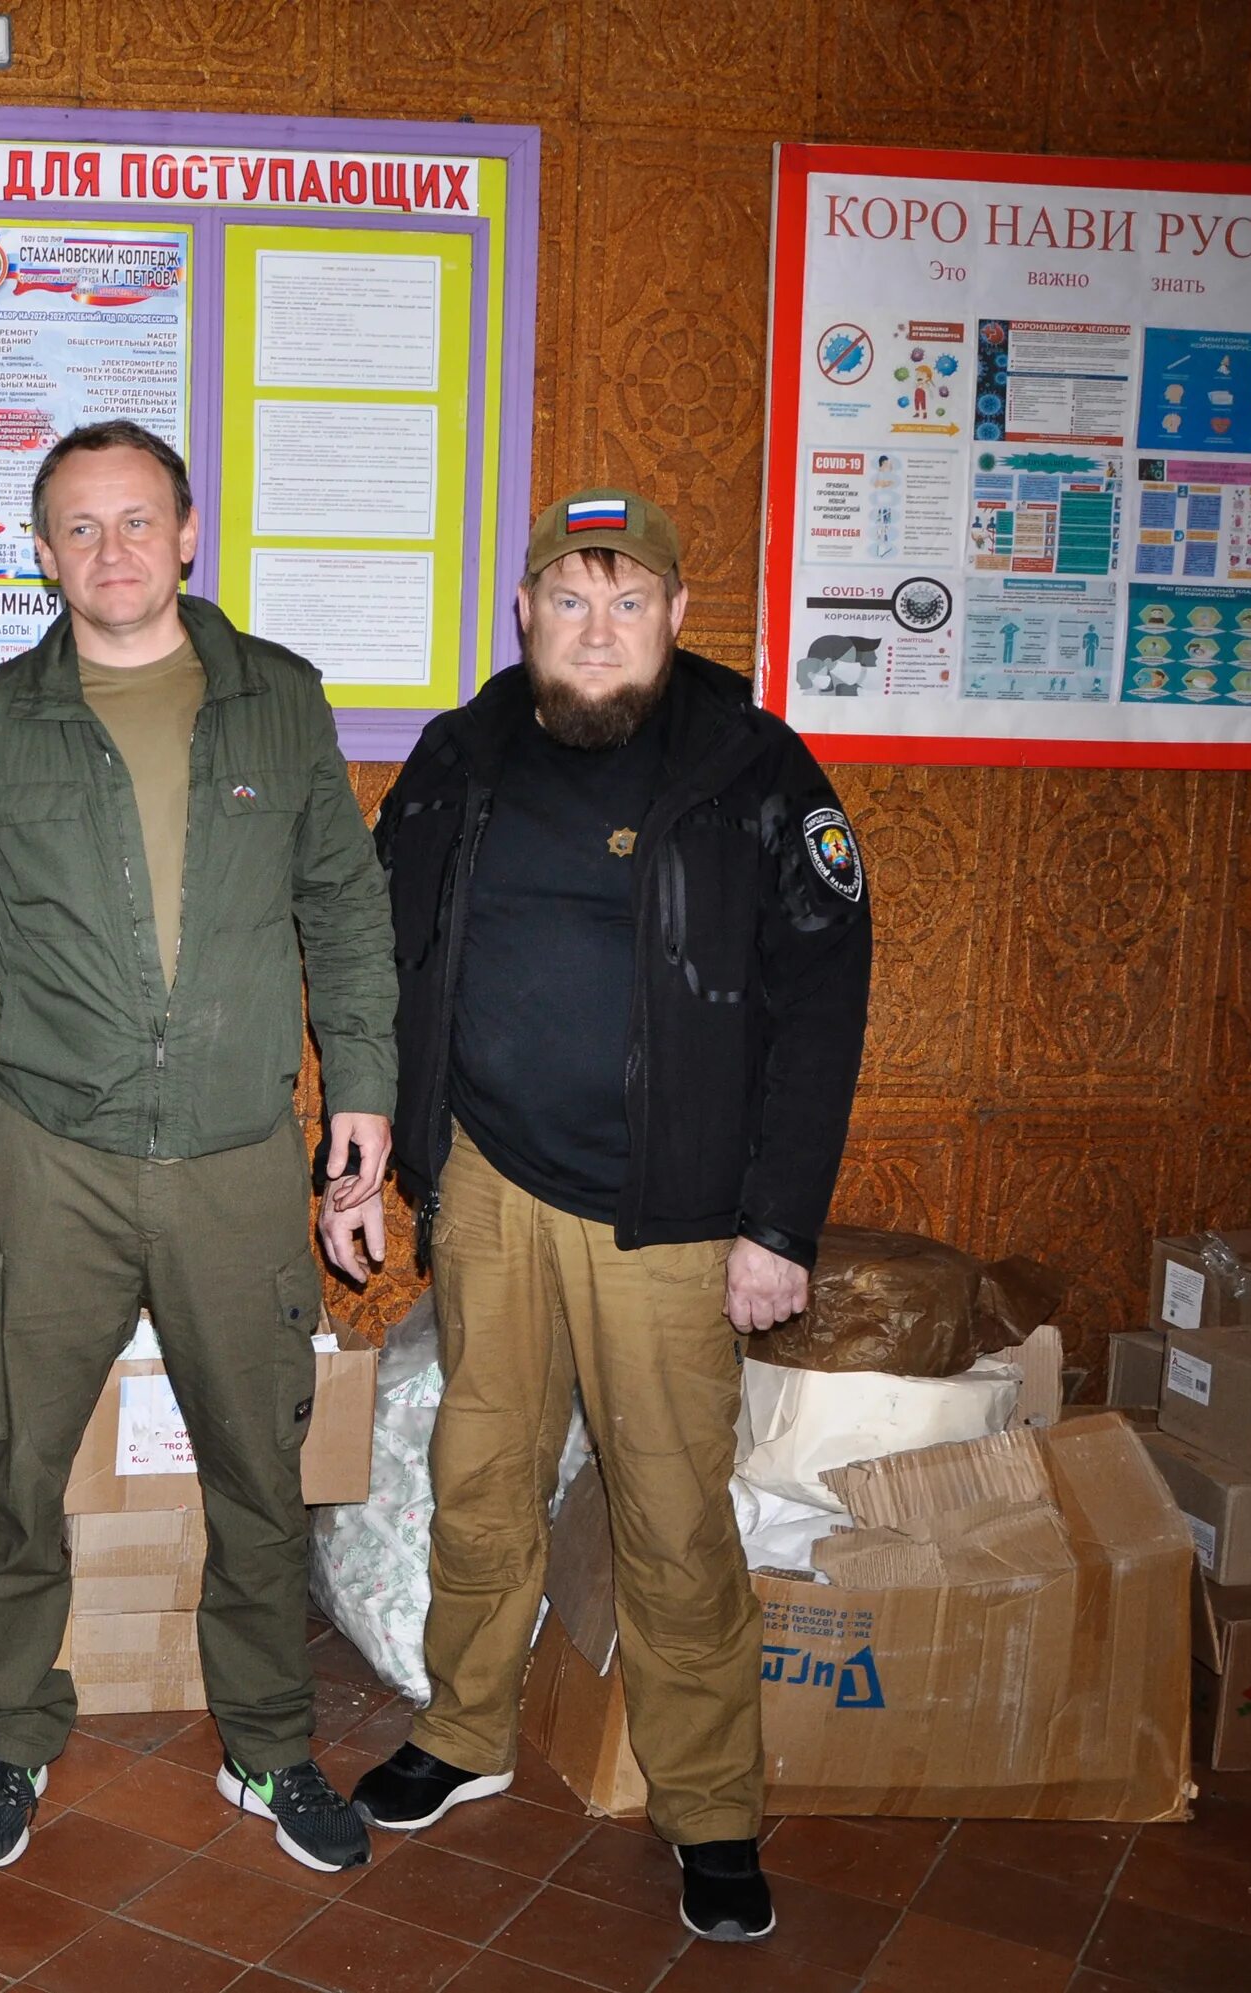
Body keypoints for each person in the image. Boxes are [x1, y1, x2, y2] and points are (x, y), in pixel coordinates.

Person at [357, 489, 872, 1945]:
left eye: (625, 601)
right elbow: (387, 945)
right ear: (524, 613)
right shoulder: (463, 753)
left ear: (674, 616)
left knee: (669, 1509)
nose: (595, 631)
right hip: (493, 1191)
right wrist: (388, 1140)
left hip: (674, 1214)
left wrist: (778, 1223)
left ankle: (712, 1806)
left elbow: (824, 1009)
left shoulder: (754, 770)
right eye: (568, 602)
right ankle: (462, 1731)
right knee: (481, 1470)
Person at [0, 419, 396, 1875]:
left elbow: (347, 912)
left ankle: (268, 1743)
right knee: (18, 1459)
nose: (110, 551)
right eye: (79, 527)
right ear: (40, 552)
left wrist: (358, 1089)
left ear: (188, 533)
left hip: (241, 1156)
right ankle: (10, 1736)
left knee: (259, 1468)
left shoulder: (281, 704)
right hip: (48, 1148)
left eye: (137, 522)